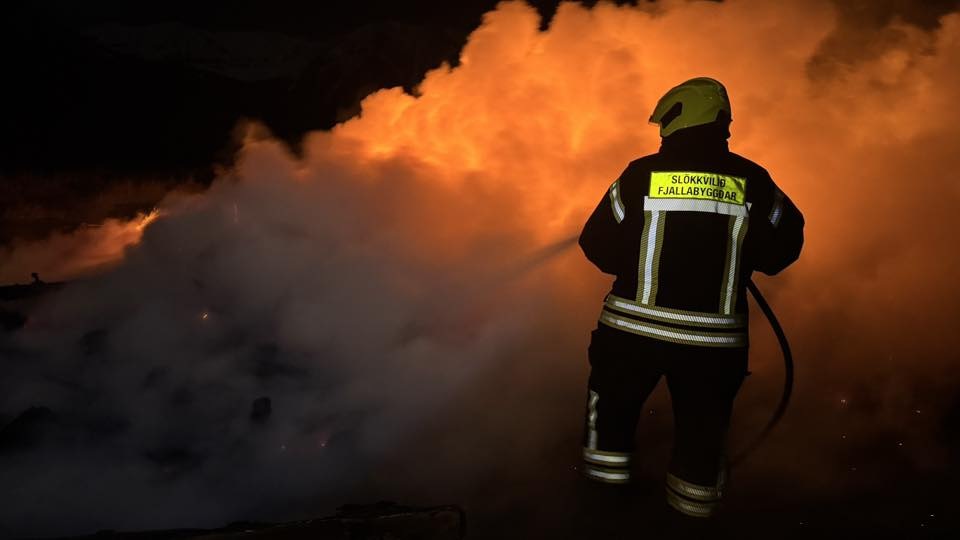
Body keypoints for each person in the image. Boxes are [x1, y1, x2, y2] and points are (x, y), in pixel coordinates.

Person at [577, 77, 804, 518]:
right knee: (702, 438)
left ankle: (599, 514)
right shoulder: (754, 180)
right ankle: (690, 520)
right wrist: (742, 253)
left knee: (611, 425)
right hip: (713, 349)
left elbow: (595, 242)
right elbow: (785, 248)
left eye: (664, 122)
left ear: (680, 117)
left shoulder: (641, 174)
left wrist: (636, 262)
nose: (661, 133)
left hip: (631, 336)